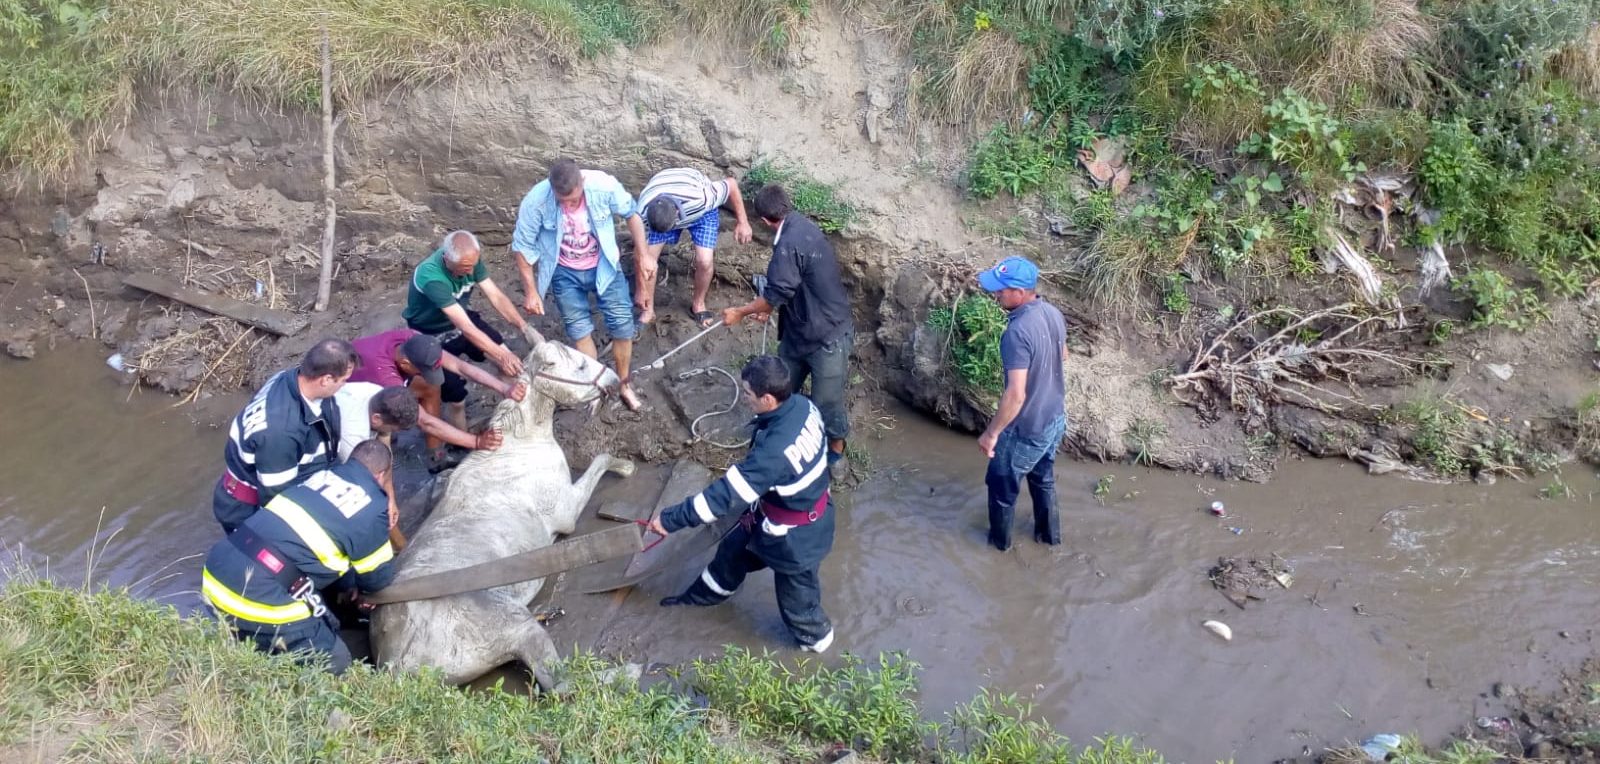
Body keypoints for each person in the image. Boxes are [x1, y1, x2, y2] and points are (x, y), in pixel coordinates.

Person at [648, 356, 836, 653]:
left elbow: (723, 497)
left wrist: (669, 520)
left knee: (799, 604)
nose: (744, 398)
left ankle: (817, 644)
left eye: (747, 393)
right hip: (775, 513)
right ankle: (702, 598)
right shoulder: (801, 405)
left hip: (796, 539)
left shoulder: (774, 454)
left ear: (769, 398)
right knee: (731, 550)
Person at [200, 439, 399, 674]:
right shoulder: (374, 507)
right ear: (381, 474)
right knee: (335, 660)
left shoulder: (320, 477)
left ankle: (254, 652)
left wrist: (348, 582)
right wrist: (362, 588)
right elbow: (378, 580)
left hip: (217, 572)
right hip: (260, 596)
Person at [721, 184, 853, 478]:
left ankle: (835, 452)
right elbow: (785, 288)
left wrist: (741, 312)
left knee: (827, 400)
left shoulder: (788, 243)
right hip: (799, 329)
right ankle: (776, 435)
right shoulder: (800, 225)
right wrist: (768, 307)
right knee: (781, 386)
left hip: (828, 335)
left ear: (765, 221)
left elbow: (775, 292)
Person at [511, 158, 647, 411]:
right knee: (579, 329)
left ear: (582, 182)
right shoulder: (536, 201)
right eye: (563, 202)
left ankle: (624, 384)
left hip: (604, 265)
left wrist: (645, 254)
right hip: (563, 271)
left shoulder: (603, 185)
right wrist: (530, 292)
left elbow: (632, 213)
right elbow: (522, 246)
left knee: (622, 326)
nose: (569, 205)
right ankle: (595, 388)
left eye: (574, 199)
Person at [213, 339, 359, 533]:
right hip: (247, 511)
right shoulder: (280, 432)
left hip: (277, 473)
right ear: (325, 380)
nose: (344, 386)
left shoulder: (288, 378)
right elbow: (278, 500)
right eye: (343, 381)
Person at [974, 256, 1068, 552]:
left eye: (1001, 289)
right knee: (1043, 480)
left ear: (1019, 291)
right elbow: (1063, 355)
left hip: (1025, 429)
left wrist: (991, 434)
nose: (996, 294)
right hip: (1054, 419)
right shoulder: (1052, 313)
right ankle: (1049, 539)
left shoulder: (1016, 333)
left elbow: (1016, 395)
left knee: (1001, 488)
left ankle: (998, 548)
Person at [402, 230, 533, 432]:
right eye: (465, 269)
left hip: (461, 317)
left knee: (509, 366)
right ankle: (463, 443)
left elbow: (495, 296)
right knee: (456, 399)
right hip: (430, 333)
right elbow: (466, 328)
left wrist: (524, 327)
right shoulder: (431, 277)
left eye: (473, 266)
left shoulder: (470, 259)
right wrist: (501, 354)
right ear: (447, 260)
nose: (471, 273)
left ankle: (513, 419)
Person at [347, 328, 524, 457]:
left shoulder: (413, 339)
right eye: (422, 369)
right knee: (379, 440)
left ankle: (435, 455)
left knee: (429, 386)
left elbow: (460, 367)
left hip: (375, 370)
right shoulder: (387, 377)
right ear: (406, 364)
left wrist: (505, 388)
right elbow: (424, 421)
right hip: (351, 393)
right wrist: (476, 442)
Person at [634, 167, 754, 327]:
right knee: (648, 260)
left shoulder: (702, 198)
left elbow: (731, 184)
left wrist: (743, 222)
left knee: (704, 260)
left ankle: (698, 305)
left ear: (677, 214)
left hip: (701, 213)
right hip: (661, 208)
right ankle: (648, 311)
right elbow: (639, 255)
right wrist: (641, 289)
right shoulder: (641, 212)